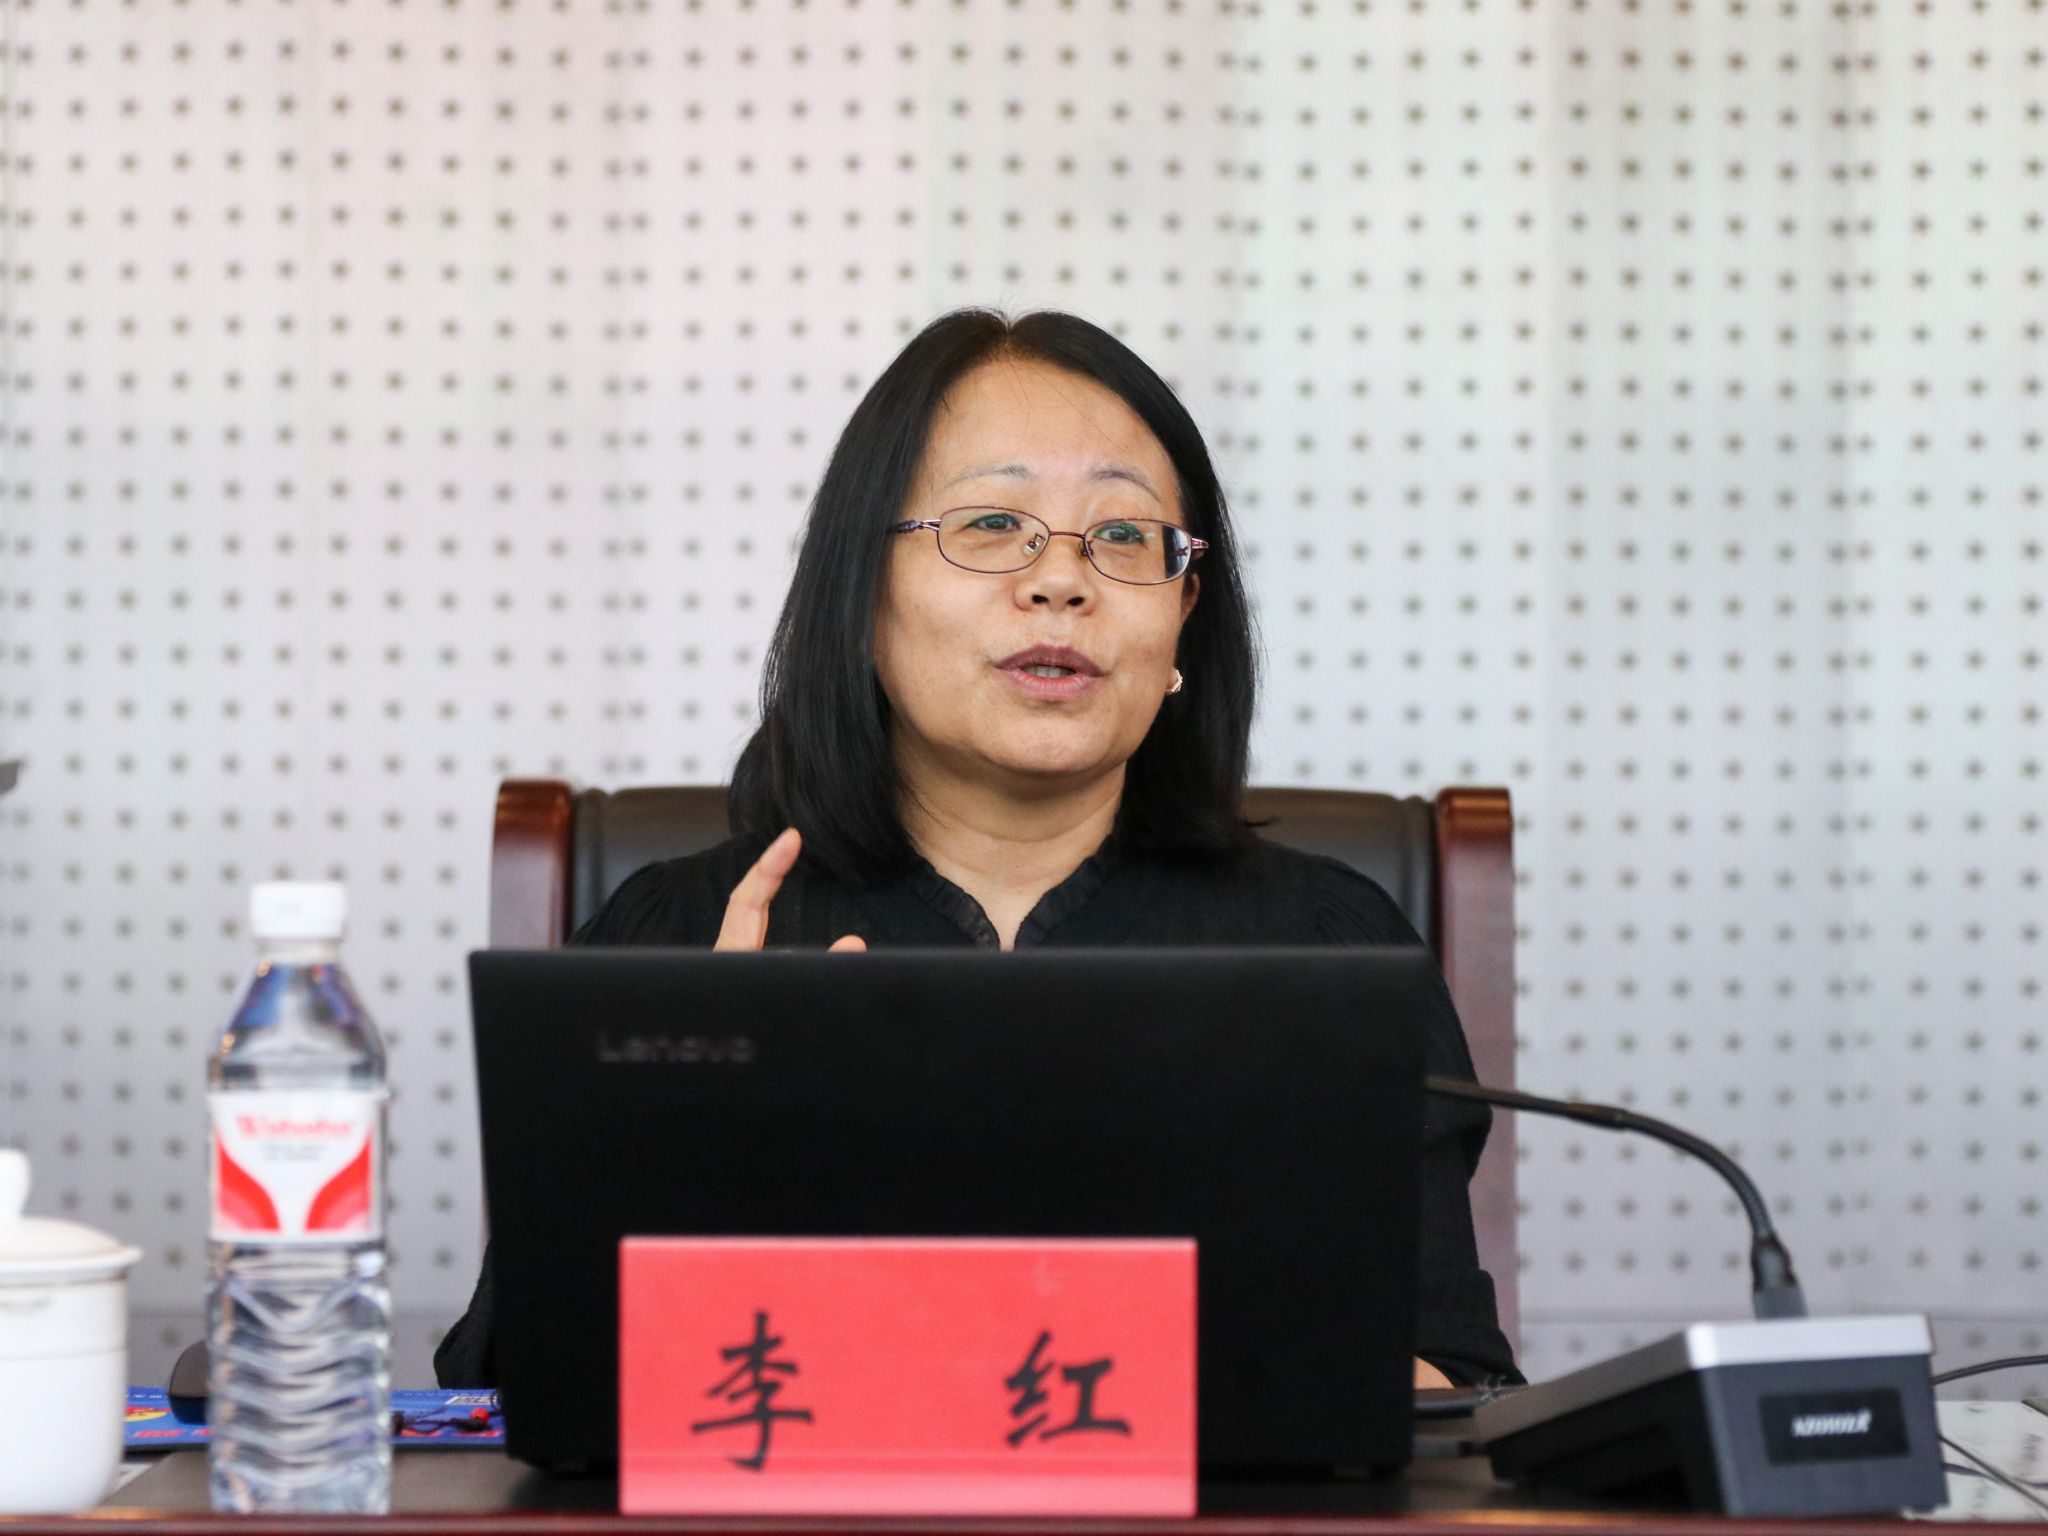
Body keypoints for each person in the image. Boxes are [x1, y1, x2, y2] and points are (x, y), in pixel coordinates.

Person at [436, 307, 1520, 1390]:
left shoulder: (1324, 954)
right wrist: (698, 1153)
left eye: (1123, 536)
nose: (1061, 581)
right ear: (863, 594)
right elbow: (505, 1395)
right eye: (993, 523)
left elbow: (1452, 1393)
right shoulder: (673, 947)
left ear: (1183, 615)